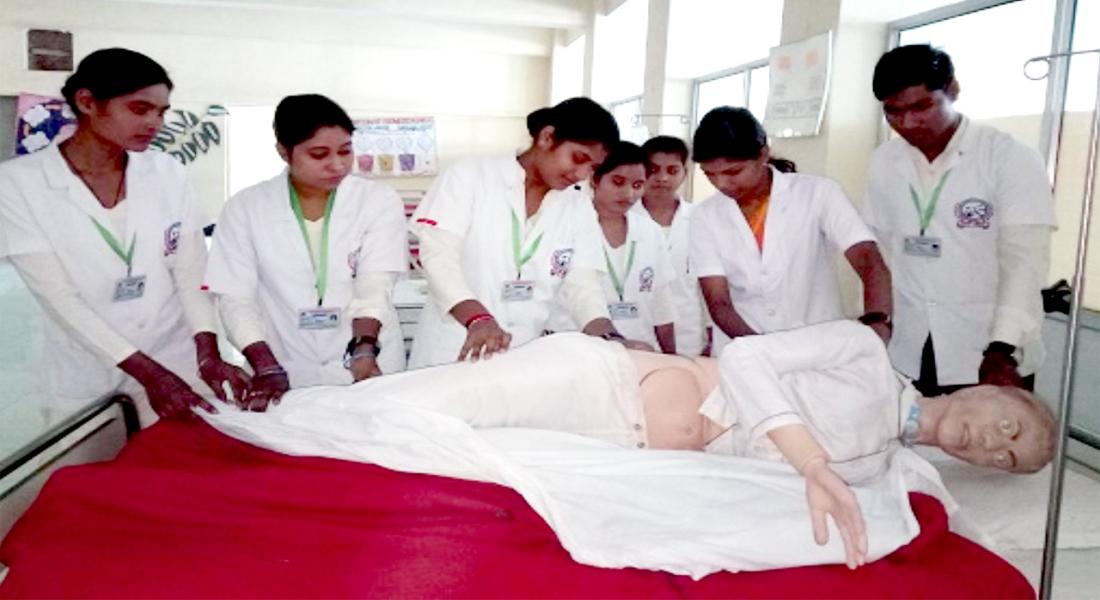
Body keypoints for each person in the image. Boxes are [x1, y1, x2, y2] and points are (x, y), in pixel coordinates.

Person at [240, 320, 1054, 569]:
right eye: (1009, 426)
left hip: (619, 452)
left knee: (423, 453)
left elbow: (905, 508)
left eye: (1005, 460)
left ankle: (272, 490)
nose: (992, 445)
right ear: (994, 387)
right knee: (410, 405)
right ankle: (253, 441)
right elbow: (747, 358)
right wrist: (812, 464)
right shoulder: (863, 354)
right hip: (598, 382)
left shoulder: (875, 465)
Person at [0, 48, 247, 425]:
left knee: (181, 458)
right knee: (95, 459)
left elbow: (191, 272)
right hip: (90, 369)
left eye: (161, 112)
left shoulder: (167, 172)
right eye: (139, 109)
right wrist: (150, 374)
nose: (153, 123)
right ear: (87, 102)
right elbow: (59, 298)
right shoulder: (19, 184)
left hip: (176, 358)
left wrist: (208, 352)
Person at [863, 45, 1057, 396]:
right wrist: (878, 321)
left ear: (952, 89)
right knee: (913, 430)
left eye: (921, 107)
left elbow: (1024, 262)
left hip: (988, 353)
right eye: (893, 112)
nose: (908, 123)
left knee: (987, 432)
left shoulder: (1009, 157)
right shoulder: (884, 162)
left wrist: (1002, 348)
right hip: (909, 347)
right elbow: (881, 253)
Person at [408, 97, 647, 369]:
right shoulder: (470, 176)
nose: (581, 174)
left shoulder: (577, 205)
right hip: (454, 347)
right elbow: (438, 259)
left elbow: (583, 286)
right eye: (578, 158)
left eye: (592, 168)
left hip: (523, 355)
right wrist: (478, 319)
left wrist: (610, 337)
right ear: (547, 137)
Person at [205, 94, 408, 411]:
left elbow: (374, 284)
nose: (337, 164)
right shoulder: (245, 208)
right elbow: (236, 298)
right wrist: (264, 363)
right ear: (284, 152)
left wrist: (364, 348)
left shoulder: (377, 201)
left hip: (367, 360)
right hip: (284, 360)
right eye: (319, 154)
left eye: (346, 151)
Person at [689, 107, 893, 354]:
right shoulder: (705, 215)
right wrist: (765, 351)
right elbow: (719, 303)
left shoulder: (818, 193)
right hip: (744, 349)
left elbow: (868, 260)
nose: (722, 184)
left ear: (763, 154)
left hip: (818, 345)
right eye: (709, 174)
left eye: (733, 172)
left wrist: (878, 322)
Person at [556, 141, 678, 352]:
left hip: (641, 349)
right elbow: (581, 293)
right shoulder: (568, 226)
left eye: (638, 185)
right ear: (595, 179)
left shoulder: (650, 232)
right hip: (582, 348)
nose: (629, 194)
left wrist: (670, 357)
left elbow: (662, 304)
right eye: (618, 182)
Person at [637, 135, 711, 356]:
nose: (662, 178)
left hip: (689, 336)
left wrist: (711, 335)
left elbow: (707, 286)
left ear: (684, 174)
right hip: (637, 335)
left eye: (672, 170)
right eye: (653, 169)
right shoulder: (623, 219)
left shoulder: (700, 219)